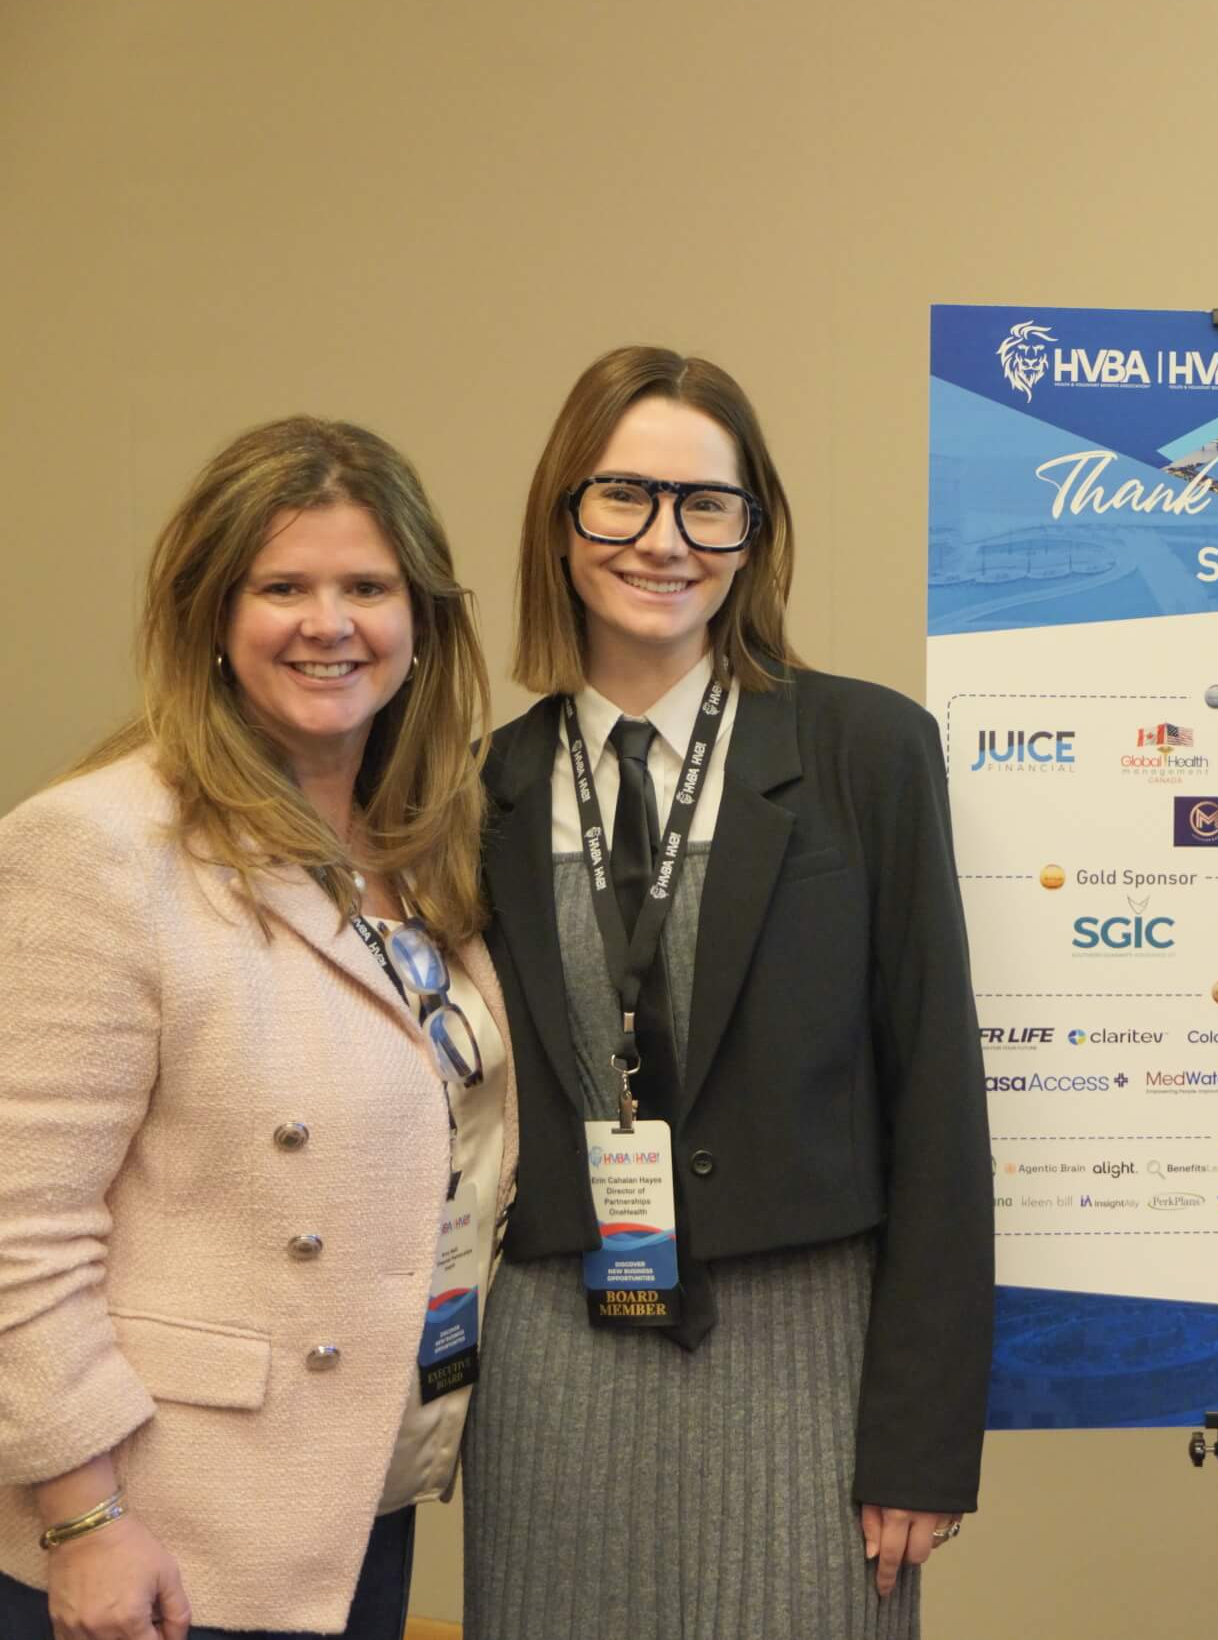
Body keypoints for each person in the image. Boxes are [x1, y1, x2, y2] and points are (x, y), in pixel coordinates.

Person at [462, 346, 992, 1639]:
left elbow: (938, 1102)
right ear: (560, 519)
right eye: (622, 497)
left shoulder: (866, 752)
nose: (665, 540)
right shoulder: (482, 788)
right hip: (555, 1353)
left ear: (754, 534)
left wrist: (922, 1441)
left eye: (708, 505)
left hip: (809, 1353)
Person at [0, 417, 513, 1638]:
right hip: (162, 1536)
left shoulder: (426, 851)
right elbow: (20, 1223)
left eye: (367, 587)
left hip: (357, 1498)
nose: (328, 623)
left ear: (421, 621)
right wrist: (83, 1519)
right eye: (282, 586)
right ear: (212, 618)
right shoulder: (99, 845)